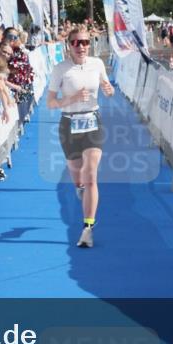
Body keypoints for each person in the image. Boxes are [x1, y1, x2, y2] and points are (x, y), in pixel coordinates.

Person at [46, 27, 114, 248]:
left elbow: (106, 85)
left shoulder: (97, 64)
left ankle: (87, 228)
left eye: (85, 42)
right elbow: (50, 103)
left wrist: (108, 89)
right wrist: (71, 98)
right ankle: (80, 188)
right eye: (77, 42)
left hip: (93, 122)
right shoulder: (60, 69)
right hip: (69, 124)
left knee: (91, 175)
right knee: (78, 178)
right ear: (69, 45)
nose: (82, 46)